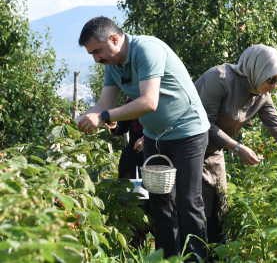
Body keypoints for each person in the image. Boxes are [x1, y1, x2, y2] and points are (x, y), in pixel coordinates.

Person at [76, 16, 210, 261]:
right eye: (92, 55)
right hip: (154, 138)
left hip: (187, 133)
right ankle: (168, 259)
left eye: (97, 51)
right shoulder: (113, 66)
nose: (96, 59)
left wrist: (104, 116)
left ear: (114, 39)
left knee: (188, 202)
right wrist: (83, 119)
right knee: (161, 204)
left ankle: (198, 259)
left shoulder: (147, 49)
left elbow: (149, 102)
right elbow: (104, 103)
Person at [194, 44, 277, 259]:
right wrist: (236, 147)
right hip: (186, 148)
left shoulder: (261, 94)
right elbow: (202, 124)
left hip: (213, 151)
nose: (274, 86)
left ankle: (220, 259)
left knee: (220, 212)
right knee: (196, 213)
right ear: (257, 70)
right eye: (271, 79)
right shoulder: (219, 78)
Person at [107, 97, 153, 249]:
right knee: (134, 206)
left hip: (157, 160)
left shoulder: (162, 94)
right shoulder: (132, 98)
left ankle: (166, 254)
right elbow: (123, 126)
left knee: (159, 207)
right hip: (134, 161)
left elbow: (172, 124)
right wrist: (114, 125)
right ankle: (136, 251)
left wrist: (149, 138)